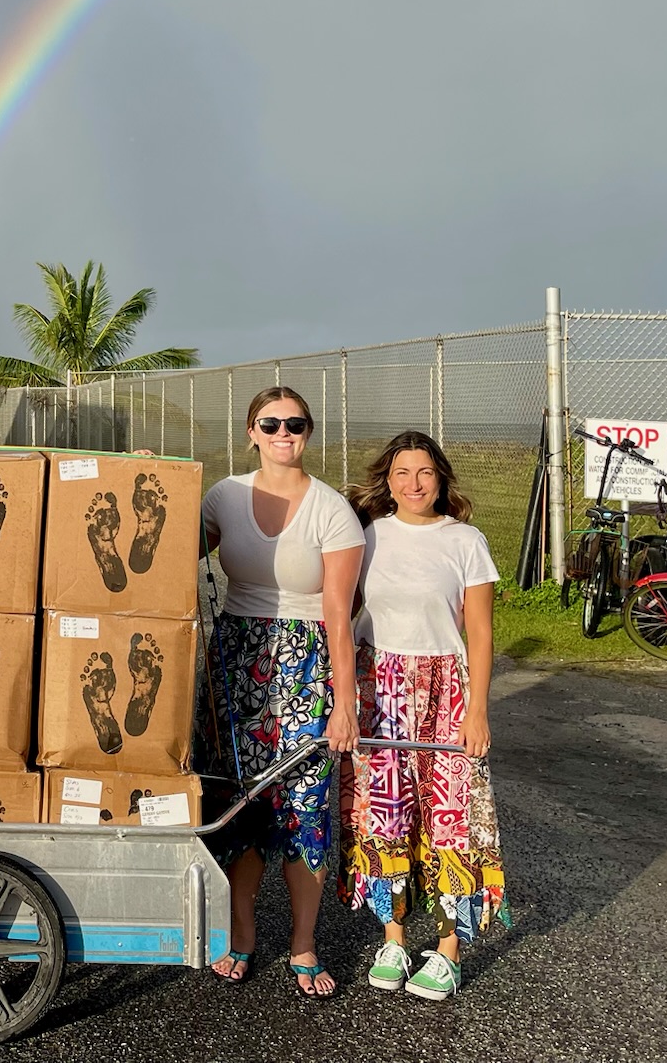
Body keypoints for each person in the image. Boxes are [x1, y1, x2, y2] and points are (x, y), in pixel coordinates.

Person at [194, 386, 364, 995]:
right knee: (239, 802)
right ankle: (242, 937)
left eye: (296, 423)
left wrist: (345, 706)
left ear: (309, 432)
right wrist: (148, 476)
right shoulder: (224, 496)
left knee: (304, 807)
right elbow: (169, 551)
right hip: (236, 660)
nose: (283, 432)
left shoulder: (332, 510)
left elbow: (339, 619)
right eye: (271, 423)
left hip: (306, 665)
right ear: (251, 431)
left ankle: (303, 944)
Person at [337, 430, 506, 1002]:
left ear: (441, 480)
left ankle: (449, 948)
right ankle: (393, 937)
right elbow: (341, 614)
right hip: (377, 687)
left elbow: (479, 633)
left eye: (425, 473)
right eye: (402, 473)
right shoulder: (367, 537)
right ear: (387, 479)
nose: (413, 484)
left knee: (449, 817)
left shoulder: (465, 541)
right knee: (384, 815)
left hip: (445, 693)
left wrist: (477, 709)